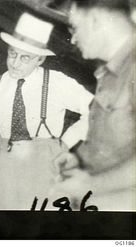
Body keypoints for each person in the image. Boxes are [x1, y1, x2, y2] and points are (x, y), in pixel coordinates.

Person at [0, 13, 93, 209]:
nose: (15, 63)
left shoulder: (57, 82)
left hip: (44, 161)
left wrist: (67, 142)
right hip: (1, 164)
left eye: (25, 58)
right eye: (12, 54)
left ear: (40, 60)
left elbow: (96, 109)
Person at [51, 0, 136, 211]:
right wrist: (78, 159)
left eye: (75, 28)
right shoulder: (110, 72)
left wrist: (90, 185)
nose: (73, 40)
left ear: (95, 19)